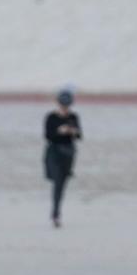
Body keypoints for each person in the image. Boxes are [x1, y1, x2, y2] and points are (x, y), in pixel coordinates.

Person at [43, 89, 82, 227]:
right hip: (53, 151)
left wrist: (73, 131)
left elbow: (79, 136)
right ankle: (56, 214)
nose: (65, 107)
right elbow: (47, 136)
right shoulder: (51, 117)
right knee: (54, 178)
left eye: (67, 104)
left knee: (61, 184)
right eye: (62, 104)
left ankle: (56, 214)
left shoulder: (74, 117)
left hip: (68, 153)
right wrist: (59, 131)